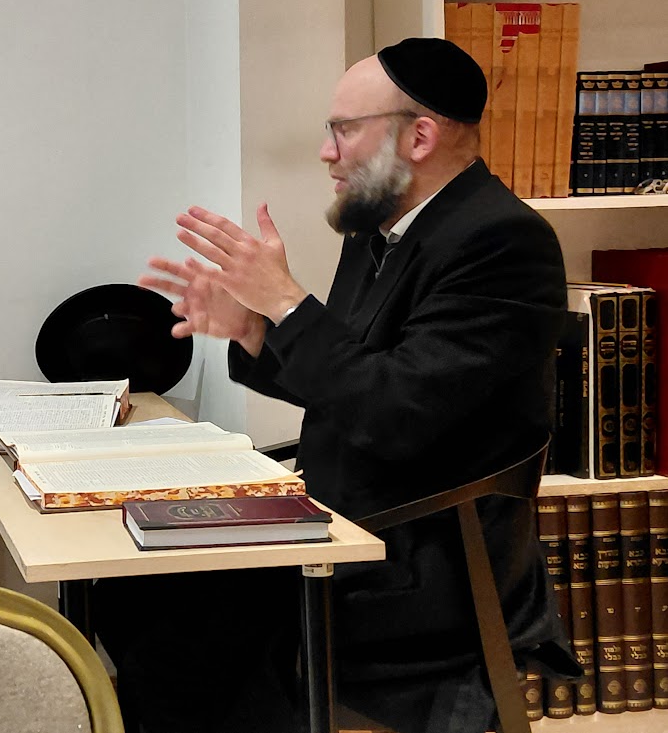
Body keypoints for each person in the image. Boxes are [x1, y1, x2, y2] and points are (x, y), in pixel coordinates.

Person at [94, 38, 574, 733]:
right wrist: (255, 329)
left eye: (344, 130)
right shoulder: (381, 234)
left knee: (174, 628)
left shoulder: (503, 242)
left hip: (421, 554)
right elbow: (351, 381)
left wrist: (288, 303)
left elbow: (395, 411)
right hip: (345, 521)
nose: (327, 152)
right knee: (125, 593)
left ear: (419, 136)